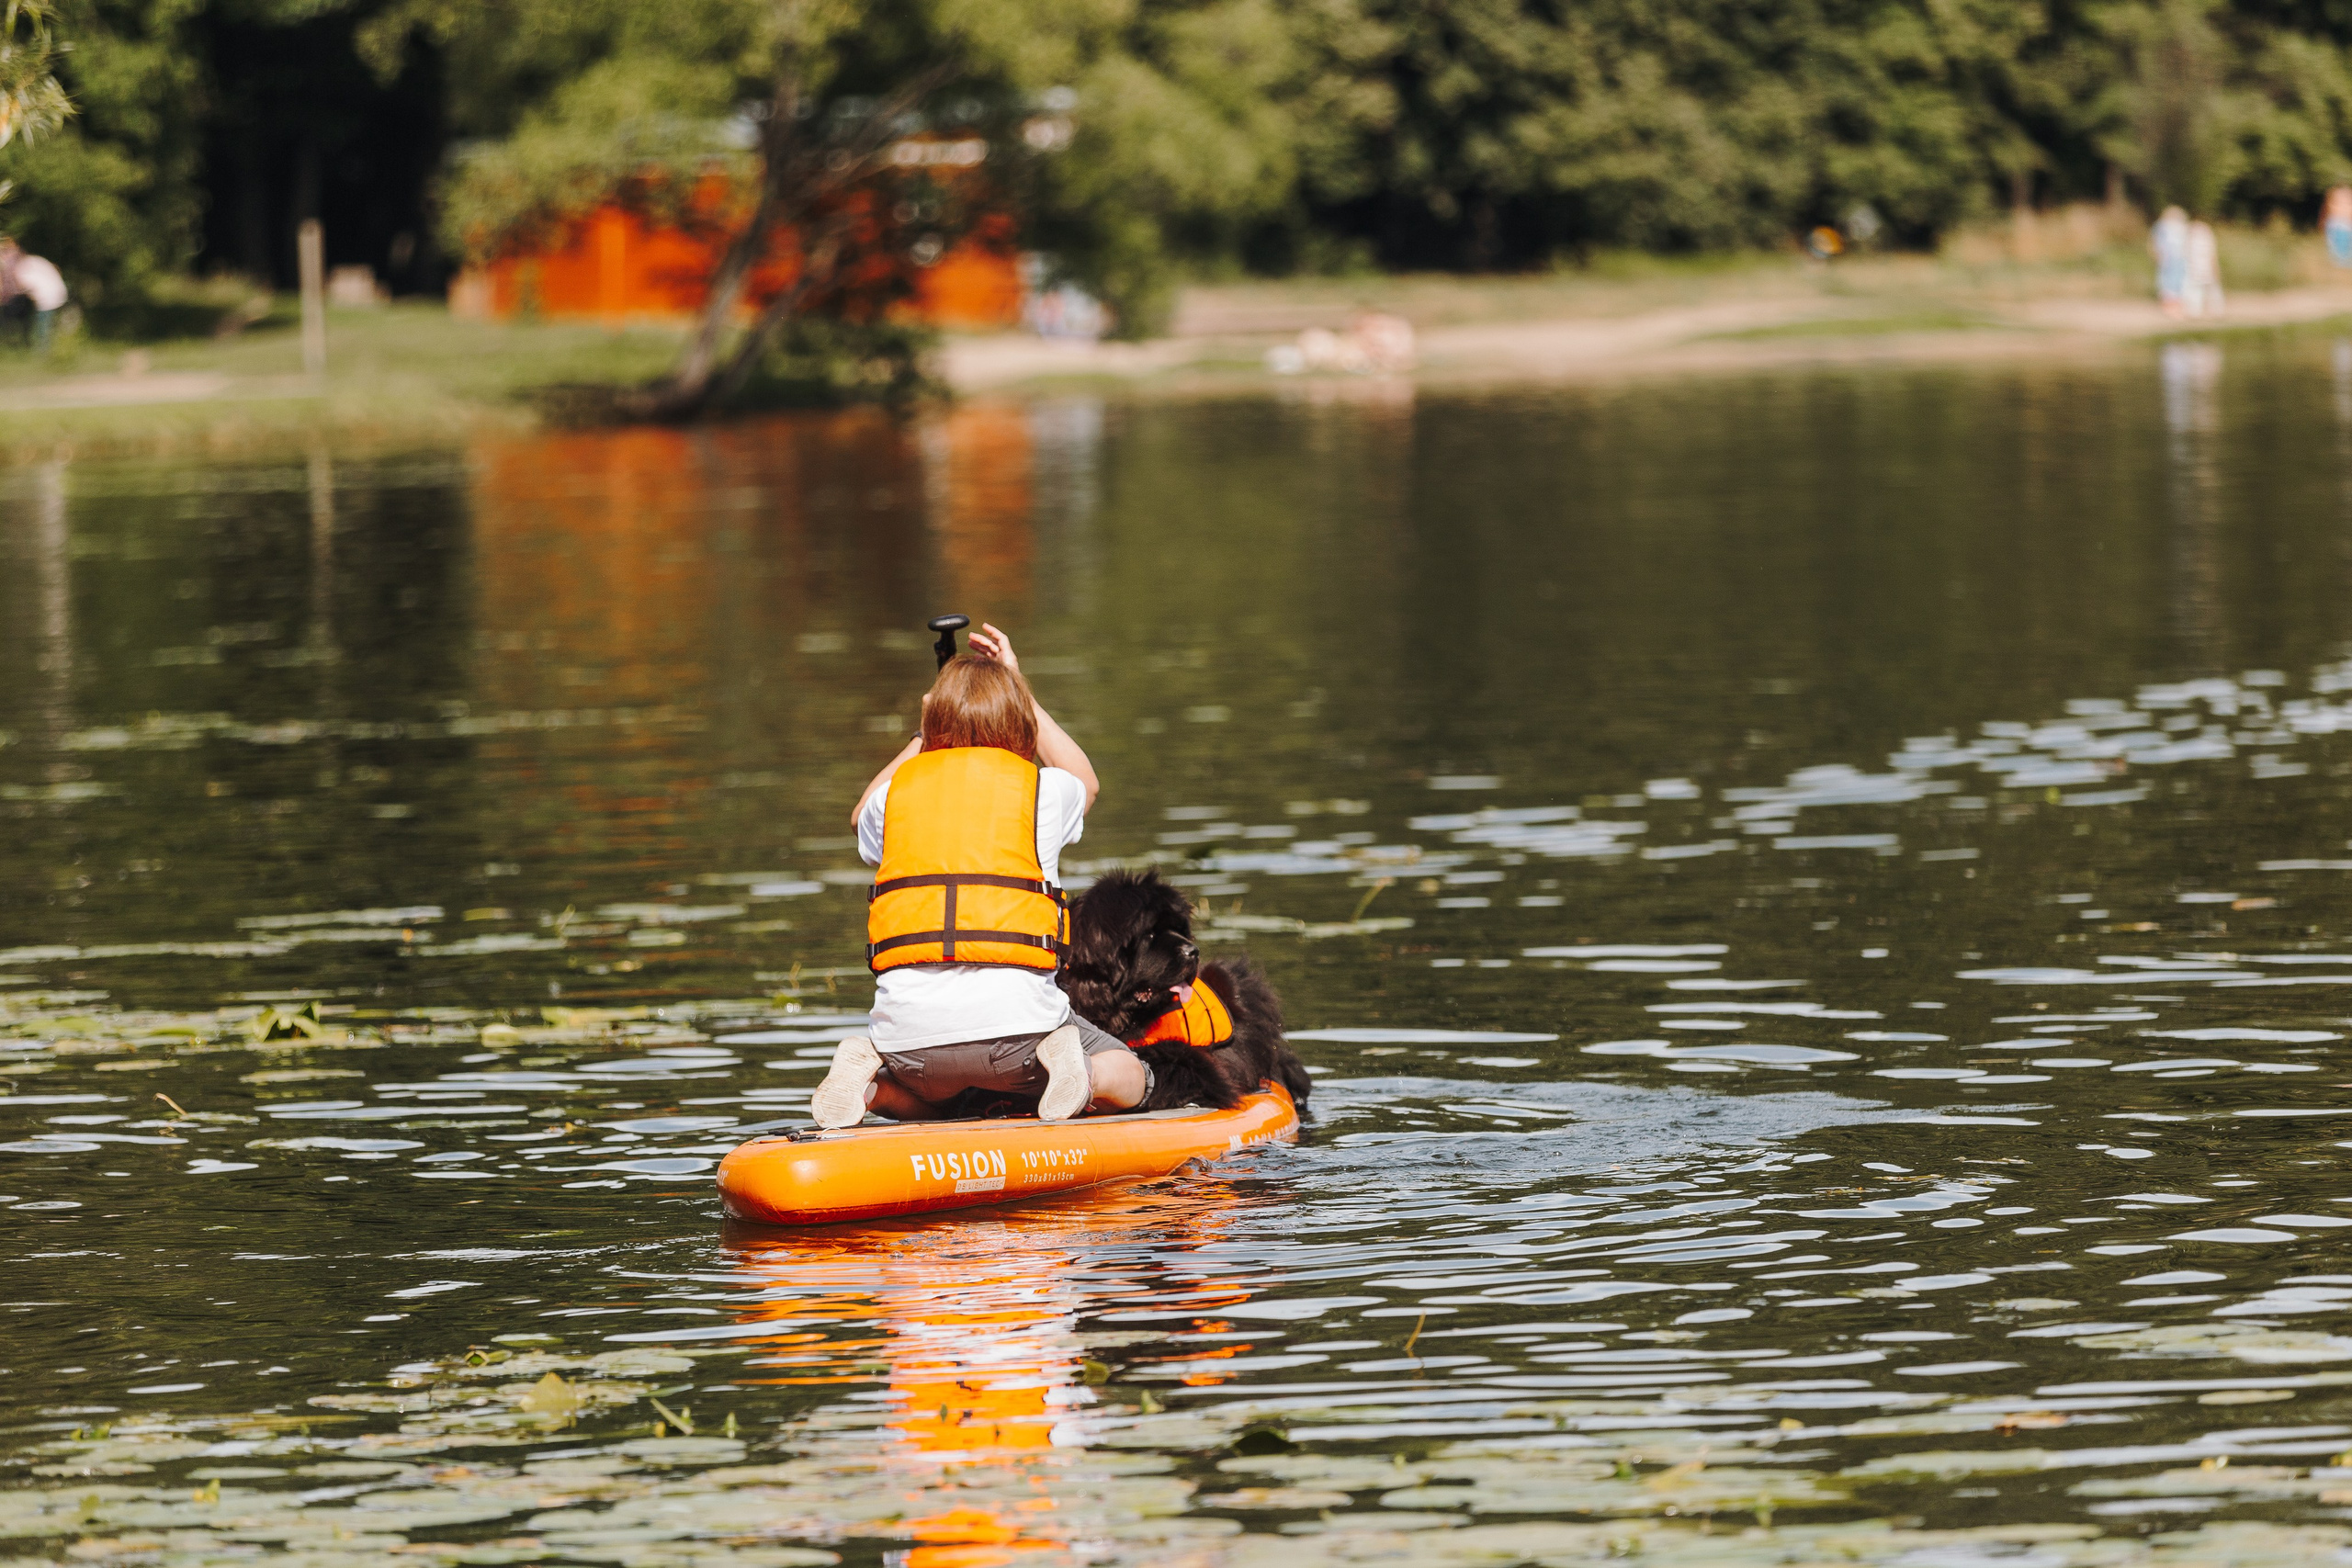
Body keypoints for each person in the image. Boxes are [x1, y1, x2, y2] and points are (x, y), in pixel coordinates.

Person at [810, 624, 1149, 1128]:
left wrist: (926, 731)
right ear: (1019, 723)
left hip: (909, 1047)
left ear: (932, 720)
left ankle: (871, 1085)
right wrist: (1018, 686)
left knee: (936, 1106)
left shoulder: (892, 800)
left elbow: (862, 812)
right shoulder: (1042, 792)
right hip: (1021, 1041)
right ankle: (1076, 1068)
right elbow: (1087, 781)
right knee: (1135, 1072)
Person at [0, 237, 66, 350]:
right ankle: (53, 348)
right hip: (58, 292)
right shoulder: (33, 260)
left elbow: (22, 286)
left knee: (42, 327)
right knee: (48, 325)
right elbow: (56, 268)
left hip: (47, 298)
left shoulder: (22, 268)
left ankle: (42, 351)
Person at [2151, 207, 2190, 318]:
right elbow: (2155, 241)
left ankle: (2177, 307)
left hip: (2180, 258)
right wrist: (2157, 255)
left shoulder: (2182, 226)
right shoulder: (2161, 226)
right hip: (2168, 258)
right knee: (2167, 282)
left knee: (2179, 282)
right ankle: (2168, 307)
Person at [2185, 219, 2224, 319]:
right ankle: (2215, 310)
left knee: (2198, 291)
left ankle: (2196, 311)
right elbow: (2212, 257)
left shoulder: (2191, 241)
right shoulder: (2205, 241)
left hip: (2197, 270)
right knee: (2210, 290)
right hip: (2202, 270)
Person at [2326, 186, 2352, 269]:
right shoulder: (2336, 225)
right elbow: (2337, 248)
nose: (2344, 208)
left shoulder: (2347, 224)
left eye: (2348, 203)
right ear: (2331, 206)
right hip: (2342, 261)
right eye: (2340, 204)